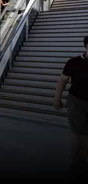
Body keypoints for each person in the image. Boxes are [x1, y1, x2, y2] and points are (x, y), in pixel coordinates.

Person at [54, 35, 88, 179]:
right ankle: (77, 163)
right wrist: (57, 98)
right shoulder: (74, 62)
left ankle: (82, 162)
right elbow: (63, 80)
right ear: (86, 46)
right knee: (78, 132)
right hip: (76, 101)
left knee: (86, 134)